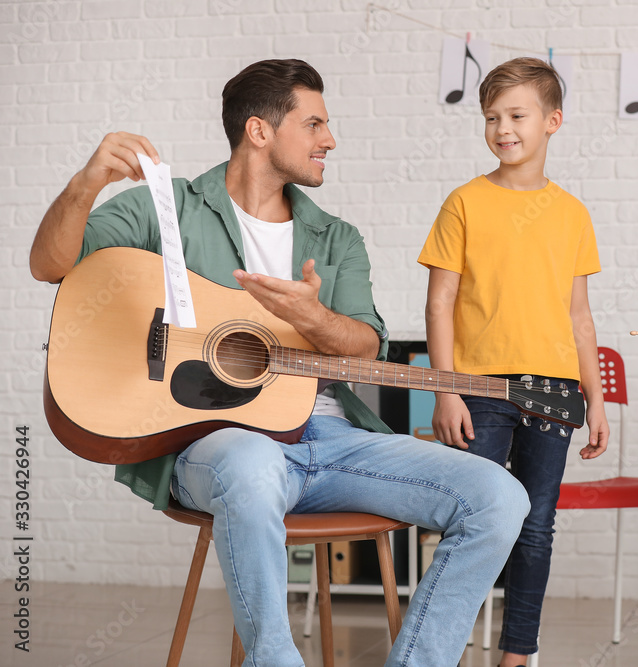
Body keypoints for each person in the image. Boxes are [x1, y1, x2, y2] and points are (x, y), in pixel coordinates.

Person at [29, 58, 530, 667]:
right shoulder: (166, 211)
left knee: (499, 496)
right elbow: (52, 265)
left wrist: (314, 318)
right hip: (216, 446)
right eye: (314, 123)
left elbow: (366, 347)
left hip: (331, 438)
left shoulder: (335, 237)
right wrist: (86, 184)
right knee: (253, 463)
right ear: (259, 132)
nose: (330, 139)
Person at [418, 57, 610, 667]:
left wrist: (596, 399)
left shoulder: (573, 213)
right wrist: (446, 391)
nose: (503, 128)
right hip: (477, 388)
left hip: (554, 392)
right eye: (492, 117)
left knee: (535, 526)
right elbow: (440, 301)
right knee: (473, 520)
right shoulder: (464, 202)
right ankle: (439, 644)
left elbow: (580, 317)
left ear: (553, 121)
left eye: (517, 115)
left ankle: (517, 654)